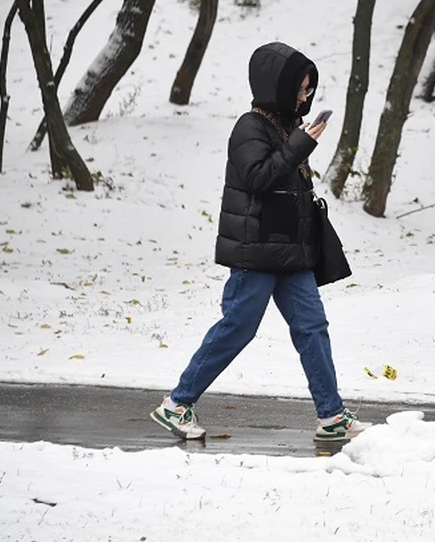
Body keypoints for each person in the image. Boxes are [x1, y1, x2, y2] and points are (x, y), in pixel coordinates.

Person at [151, 41, 370, 443]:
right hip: (257, 252)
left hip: (290, 253)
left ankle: (331, 415)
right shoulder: (249, 127)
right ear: (278, 86)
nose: (305, 96)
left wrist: (299, 142)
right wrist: (301, 144)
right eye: (300, 89)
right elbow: (258, 178)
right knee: (238, 327)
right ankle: (177, 404)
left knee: (313, 327)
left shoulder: (285, 127)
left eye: (308, 90)